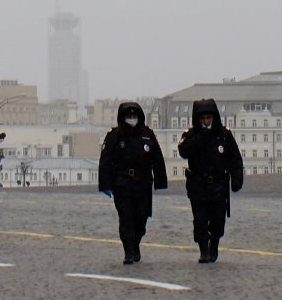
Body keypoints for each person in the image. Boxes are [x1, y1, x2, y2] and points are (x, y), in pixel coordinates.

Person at [96, 100, 167, 264]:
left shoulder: (147, 134)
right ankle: (129, 251)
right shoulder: (114, 136)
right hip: (123, 184)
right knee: (126, 218)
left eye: (135, 115)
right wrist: (105, 184)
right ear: (123, 117)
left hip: (143, 184)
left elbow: (157, 158)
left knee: (141, 219)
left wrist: (161, 180)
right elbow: (105, 161)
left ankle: (136, 244)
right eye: (129, 116)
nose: (132, 118)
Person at [176, 98, 243, 263]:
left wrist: (237, 180)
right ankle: (203, 250)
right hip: (198, 185)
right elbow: (183, 151)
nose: (206, 121)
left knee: (217, 221)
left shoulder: (224, 135)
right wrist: (201, 137)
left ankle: (214, 246)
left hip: (218, 185)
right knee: (200, 220)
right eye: (203, 118)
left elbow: (235, 158)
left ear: (214, 117)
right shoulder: (190, 134)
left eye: (209, 118)